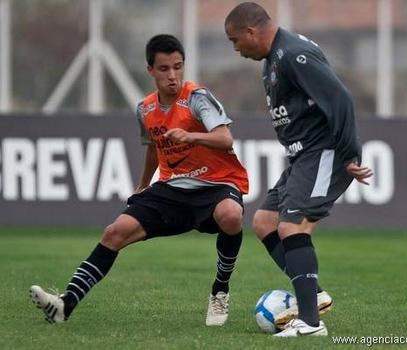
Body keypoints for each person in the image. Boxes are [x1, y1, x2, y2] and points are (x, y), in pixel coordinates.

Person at [30, 34, 249, 327]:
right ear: (150, 70)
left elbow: (225, 138)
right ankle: (64, 306)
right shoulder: (145, 109)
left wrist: (191, 135)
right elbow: (153, 148)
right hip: (173, 188)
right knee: (114, 232)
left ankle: (220, 290)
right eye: (164, 69)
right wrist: (143, 185)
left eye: (178, 66)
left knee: (232, 216)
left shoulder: (197, 98)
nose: (172, 75)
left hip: (218, 184)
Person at [225, 3, 373, 337]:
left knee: (291, 227)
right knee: (265, 222)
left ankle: (309, 322)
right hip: (301, 156)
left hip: (324, 151)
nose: (236, 49)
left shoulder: (294, 53)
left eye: (235, 40)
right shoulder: (273, 59)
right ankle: (313, 294)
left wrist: (349, 154)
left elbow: (340, 99)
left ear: (251, 31)